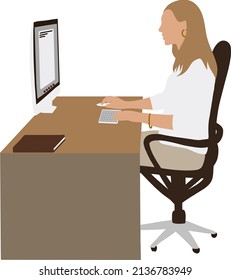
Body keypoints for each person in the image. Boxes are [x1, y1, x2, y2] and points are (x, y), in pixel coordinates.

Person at [100, 0, 217, 170]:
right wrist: (126, 105)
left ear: (184, 25)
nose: (161, 29)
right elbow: (167, 99)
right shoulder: (187, 62)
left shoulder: (197, 69)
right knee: (119, 141)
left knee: (115, 150)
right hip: (174, 140)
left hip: (185, 152)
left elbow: (183, 123)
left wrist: (135, 117)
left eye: (166, 23)